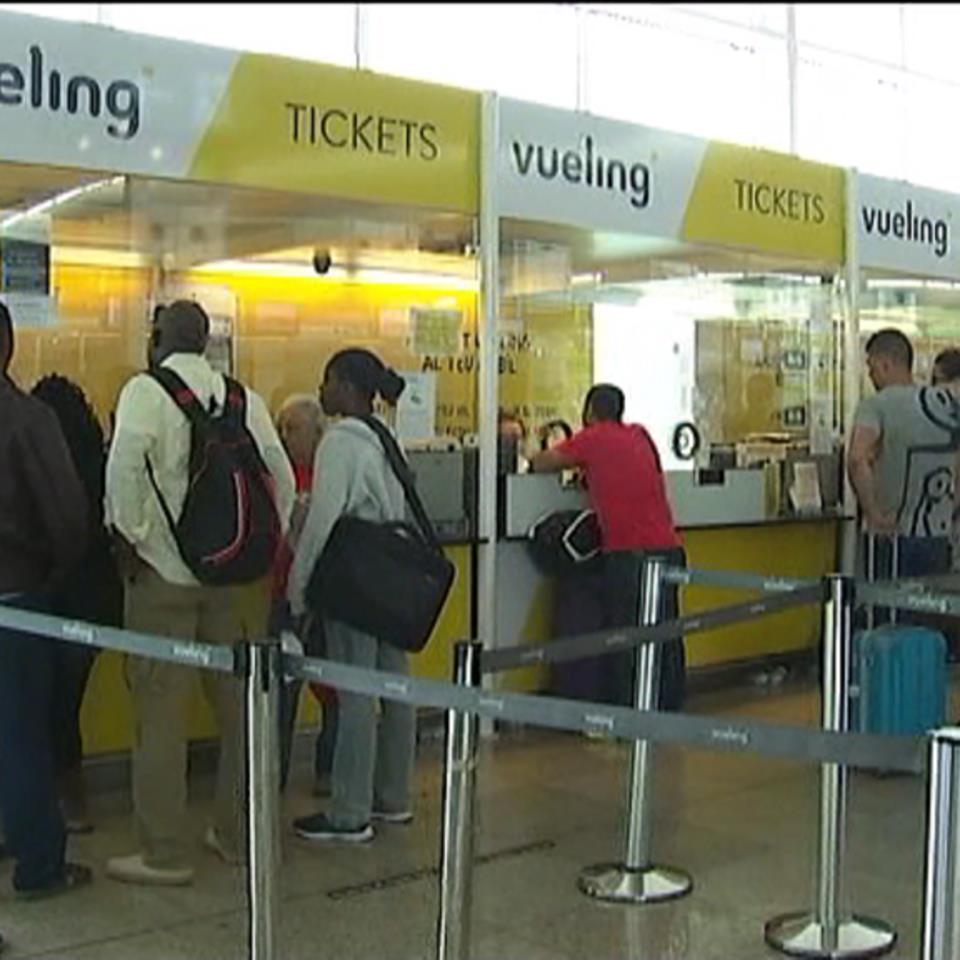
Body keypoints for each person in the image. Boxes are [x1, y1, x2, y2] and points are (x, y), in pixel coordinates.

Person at [104, 300, 295, 885]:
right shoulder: (243, 399)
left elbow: (122, 471)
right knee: (241, 714)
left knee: (159, 715)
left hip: (165, 580)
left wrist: (136, 539)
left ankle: (162, 852)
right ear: (207, 341)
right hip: (238, 584)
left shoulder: (144, 392)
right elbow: (281, 480)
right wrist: (255, 549)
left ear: (159, 336)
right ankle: (235, 835)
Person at [288, 348, 416, 843]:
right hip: (390, 574)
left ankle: (349, 810)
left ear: (345, 385)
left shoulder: (340, 441)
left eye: (327, 380)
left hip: (354, 578)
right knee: (396, 687)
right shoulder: (386, 436)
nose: (322, 391)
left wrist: (300, 587)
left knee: (355, 692)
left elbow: (322, 521)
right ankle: (393, 797)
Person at [0, 302, 93, 906]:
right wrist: (54, 574)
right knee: (21, 734)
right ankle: (38, 863)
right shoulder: (24, 417)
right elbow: (66, 515)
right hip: (15, 595)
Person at [530, 383, 686, 711]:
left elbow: (542, 463)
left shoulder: (593, 437)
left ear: (590, 412)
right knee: (668, 636)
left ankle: (627, 714)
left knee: (626, 639)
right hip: (669, 548)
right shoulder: (641, 435)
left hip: (630, 554)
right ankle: (670, 708)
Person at [31, 375, 124, 835]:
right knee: (65, 705)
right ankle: (73, 800)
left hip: (47, 598)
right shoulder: (100, 461)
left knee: (42, 706)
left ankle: (49, 800)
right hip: (92, 604)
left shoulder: (42, 462)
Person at [848, 329, 958, 588]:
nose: (871, 375)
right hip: (937, 536)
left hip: (891, 536)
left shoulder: (875, 406)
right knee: (930, 614)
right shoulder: (942, 405)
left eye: (872, 367)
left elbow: (856, 459)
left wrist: (873, 513)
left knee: (888, 615)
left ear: (885, 364)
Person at [272, 394, 339, 795]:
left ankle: (329, 770)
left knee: (333, 688)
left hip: (324, 593)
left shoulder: (332, 473)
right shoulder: (277, 472)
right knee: (282, 690)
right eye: (281, 428)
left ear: (317, 431)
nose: (285, 436)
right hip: (281, 593)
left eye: (292, 428)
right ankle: (272, 771)